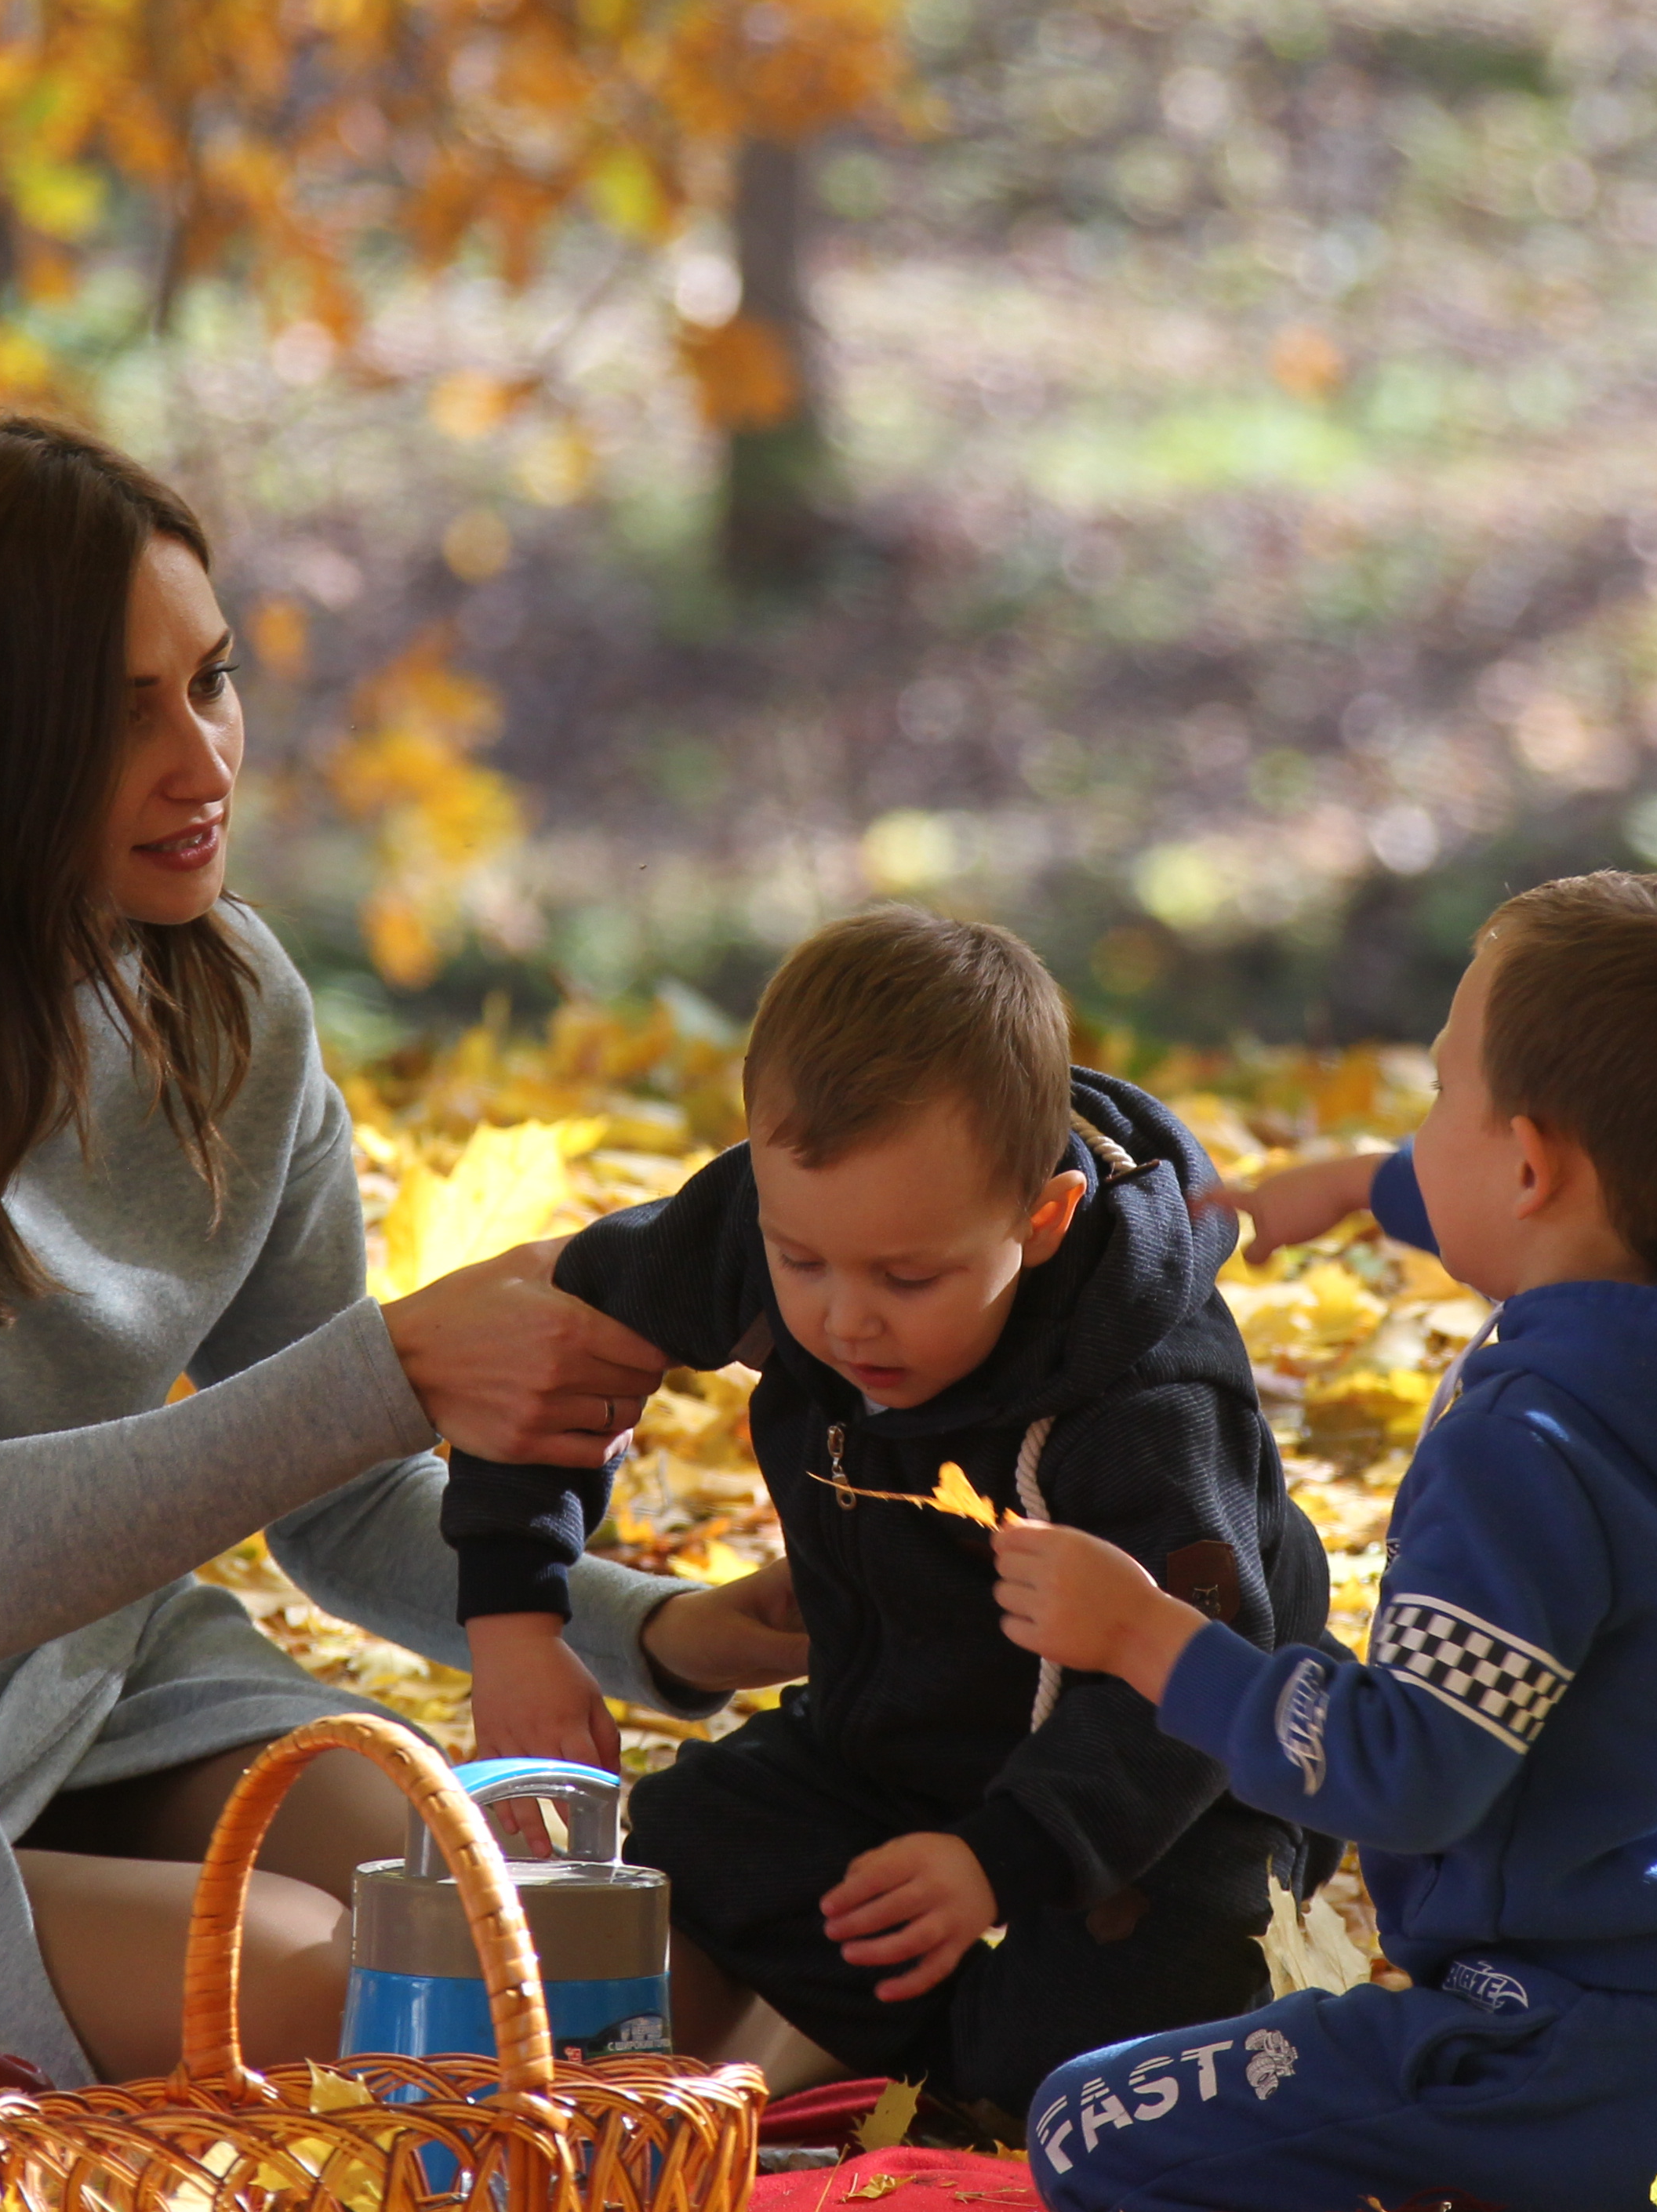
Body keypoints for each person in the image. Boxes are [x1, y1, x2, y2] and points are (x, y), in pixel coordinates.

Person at [0, 410, 808, 2090]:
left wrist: (663, 1634)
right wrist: (404, 1364)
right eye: (118, 716)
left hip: (116, 1686)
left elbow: (342, 1500)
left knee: (556, 1950)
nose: (201, 762)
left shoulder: (228, 999)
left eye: (209, 681)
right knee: (356, 1999)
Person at [991, 870, 1657, 2212]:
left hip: (1561, 2053)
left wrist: (1145, 1637)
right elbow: (1579, 1199)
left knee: (1081, 2121)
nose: (1421, 1132)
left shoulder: (1529, 1453)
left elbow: (1406, 1769)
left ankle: (1637, 2204)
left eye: (1436, 1098)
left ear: (1533, 1165)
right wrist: (1364, 1186)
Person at [440, 906, 1330, 2116]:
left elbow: (1197, 1684)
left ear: (1042, 1220)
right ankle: (905, 2052)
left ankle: (961, 2073)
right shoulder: (795, 1213)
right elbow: (555, 1354)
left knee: (1094, 2067)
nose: (844, 1319)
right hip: (890, 1743)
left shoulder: (1149, 1397)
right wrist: (516, 1624)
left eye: (908, 1280)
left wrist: (999, 1862)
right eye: (799, 1263)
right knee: (685, 1843)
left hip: (1165, 1794)